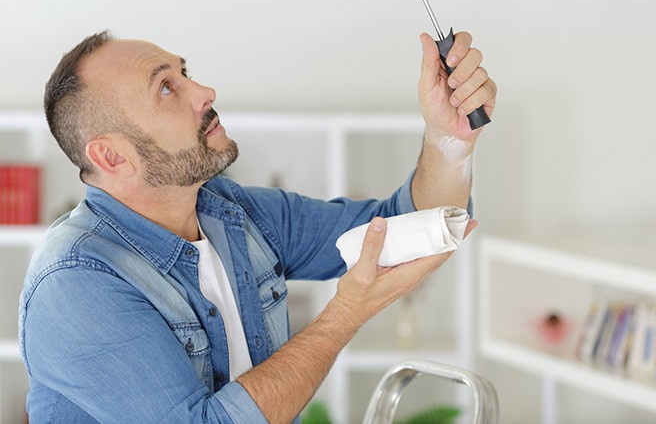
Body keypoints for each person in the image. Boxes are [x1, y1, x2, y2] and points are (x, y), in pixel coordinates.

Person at [19, 29, 496, 423]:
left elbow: (404, 232)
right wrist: (345, 313)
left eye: (184, 73)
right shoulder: (77, 281)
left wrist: (449, 138)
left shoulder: (230, 213)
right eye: (166, 87)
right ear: (112, 156)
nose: (205, 92)